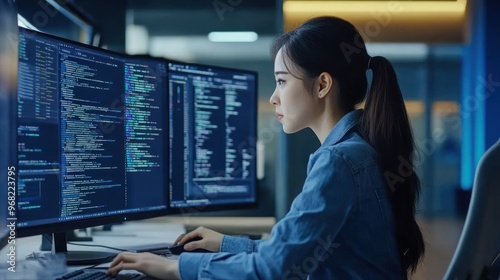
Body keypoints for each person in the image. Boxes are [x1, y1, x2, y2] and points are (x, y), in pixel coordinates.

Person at [107, 16, 425, 279]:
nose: (273, 97)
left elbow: (275, 269)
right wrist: (226, 243)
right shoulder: (357, 149)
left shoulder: (338, 160)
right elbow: (295, 253)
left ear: (322, 85)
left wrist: (175, 267)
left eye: (282, 81)